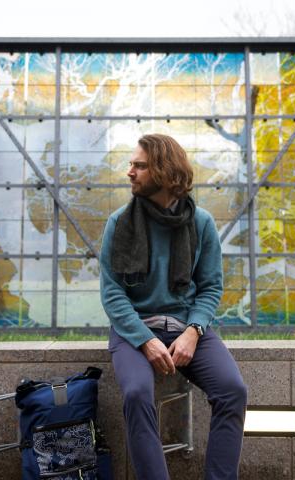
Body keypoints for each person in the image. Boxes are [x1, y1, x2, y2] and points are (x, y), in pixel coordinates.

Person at [99, 133, 248, 480]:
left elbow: (211, 287)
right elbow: (112, 294)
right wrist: (145, 340)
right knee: (137, 393)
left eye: (139, 165)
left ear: (165, 172)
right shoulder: (119, 224)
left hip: (187, 327)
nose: (129, 172)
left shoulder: (201, 224)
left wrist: (194, 331)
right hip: (133, 329)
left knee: (233, 391)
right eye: (131, 164)